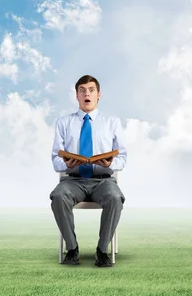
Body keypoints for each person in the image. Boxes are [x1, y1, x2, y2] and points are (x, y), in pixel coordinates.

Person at [50, 74, 127, 267]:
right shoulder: (63, 123)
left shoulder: (112, 122)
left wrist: (110, 164)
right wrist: (66, 164)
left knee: (115, 197)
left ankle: (102, 251)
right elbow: (55, 159)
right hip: (73, 180)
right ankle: (72, 248)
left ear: (99, 94)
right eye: (82, 90)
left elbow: (123, 158)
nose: (87, 94)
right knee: (58, 196)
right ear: (76, 95)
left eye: (91, 90)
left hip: (103, 180)